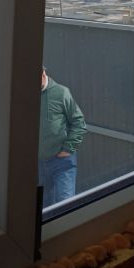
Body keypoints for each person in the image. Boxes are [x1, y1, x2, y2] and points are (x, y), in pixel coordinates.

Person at [39, 67, 86, 207]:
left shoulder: (61, 92)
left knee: (65, 206)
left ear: (43, 73)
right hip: (39, 165)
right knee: (43, 208)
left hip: (62, 163)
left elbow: (79, 122)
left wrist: (68, 148)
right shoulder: (26, 95)